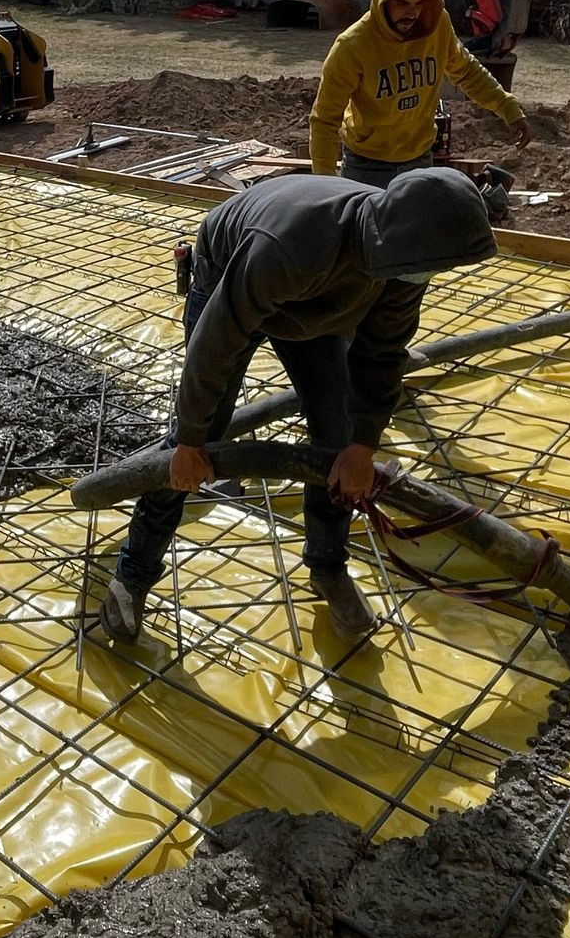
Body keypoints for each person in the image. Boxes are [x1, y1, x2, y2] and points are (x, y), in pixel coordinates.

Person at [97, 169, 497, 647]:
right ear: (391, 241)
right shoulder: (291, 247)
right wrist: (188, 439)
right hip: (232, 271)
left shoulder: (405, 256)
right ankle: (134, 573)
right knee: (202, 438)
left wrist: (362, 444)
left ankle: (328, 566)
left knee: (338, 434)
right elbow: (214, 347)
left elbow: (382, 353)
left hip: (320, 304)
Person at [309, 0, 532, 185]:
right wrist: (326, 185)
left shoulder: (437, 27)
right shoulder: (352, 46)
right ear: (383, 1)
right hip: (366, 166)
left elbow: (467, 72)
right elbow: (324, 119)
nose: (412, 12)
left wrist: (508, 108)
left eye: (418, 4)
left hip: (419, 162)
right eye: (402, 4)